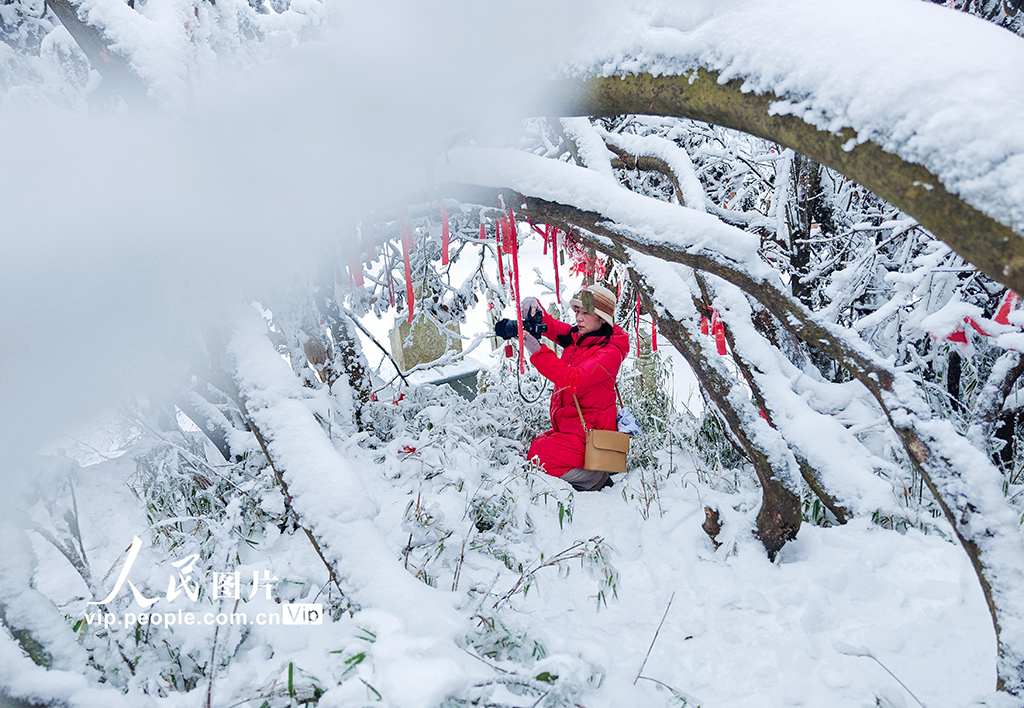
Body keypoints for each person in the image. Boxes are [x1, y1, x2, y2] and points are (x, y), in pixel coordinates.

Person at [519, 284, 629, 491]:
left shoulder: (610, 352)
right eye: (577, 311)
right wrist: (535, 309)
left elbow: (573, 379)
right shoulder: (580, 337)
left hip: (591, 435)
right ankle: (585, 471)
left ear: (602, 318)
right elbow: (552, 327)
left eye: (586, 313)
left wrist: (536, 350)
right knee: (537, 446)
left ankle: (595, 478)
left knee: (539, 458)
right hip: (572, 427)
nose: (578, 318)